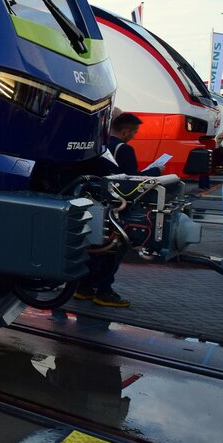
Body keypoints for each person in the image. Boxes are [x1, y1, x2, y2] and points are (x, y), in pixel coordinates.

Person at [74, 112, 147, 308]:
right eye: (134, 132)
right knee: (114, 249)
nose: (133, 136)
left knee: (93, 247)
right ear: (126, 131)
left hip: (91, 203)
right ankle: (104, 291)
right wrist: (155, 172)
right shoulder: (124, 149)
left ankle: (84, 287)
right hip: (115, 208)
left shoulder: (97, 145)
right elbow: (131, 180)